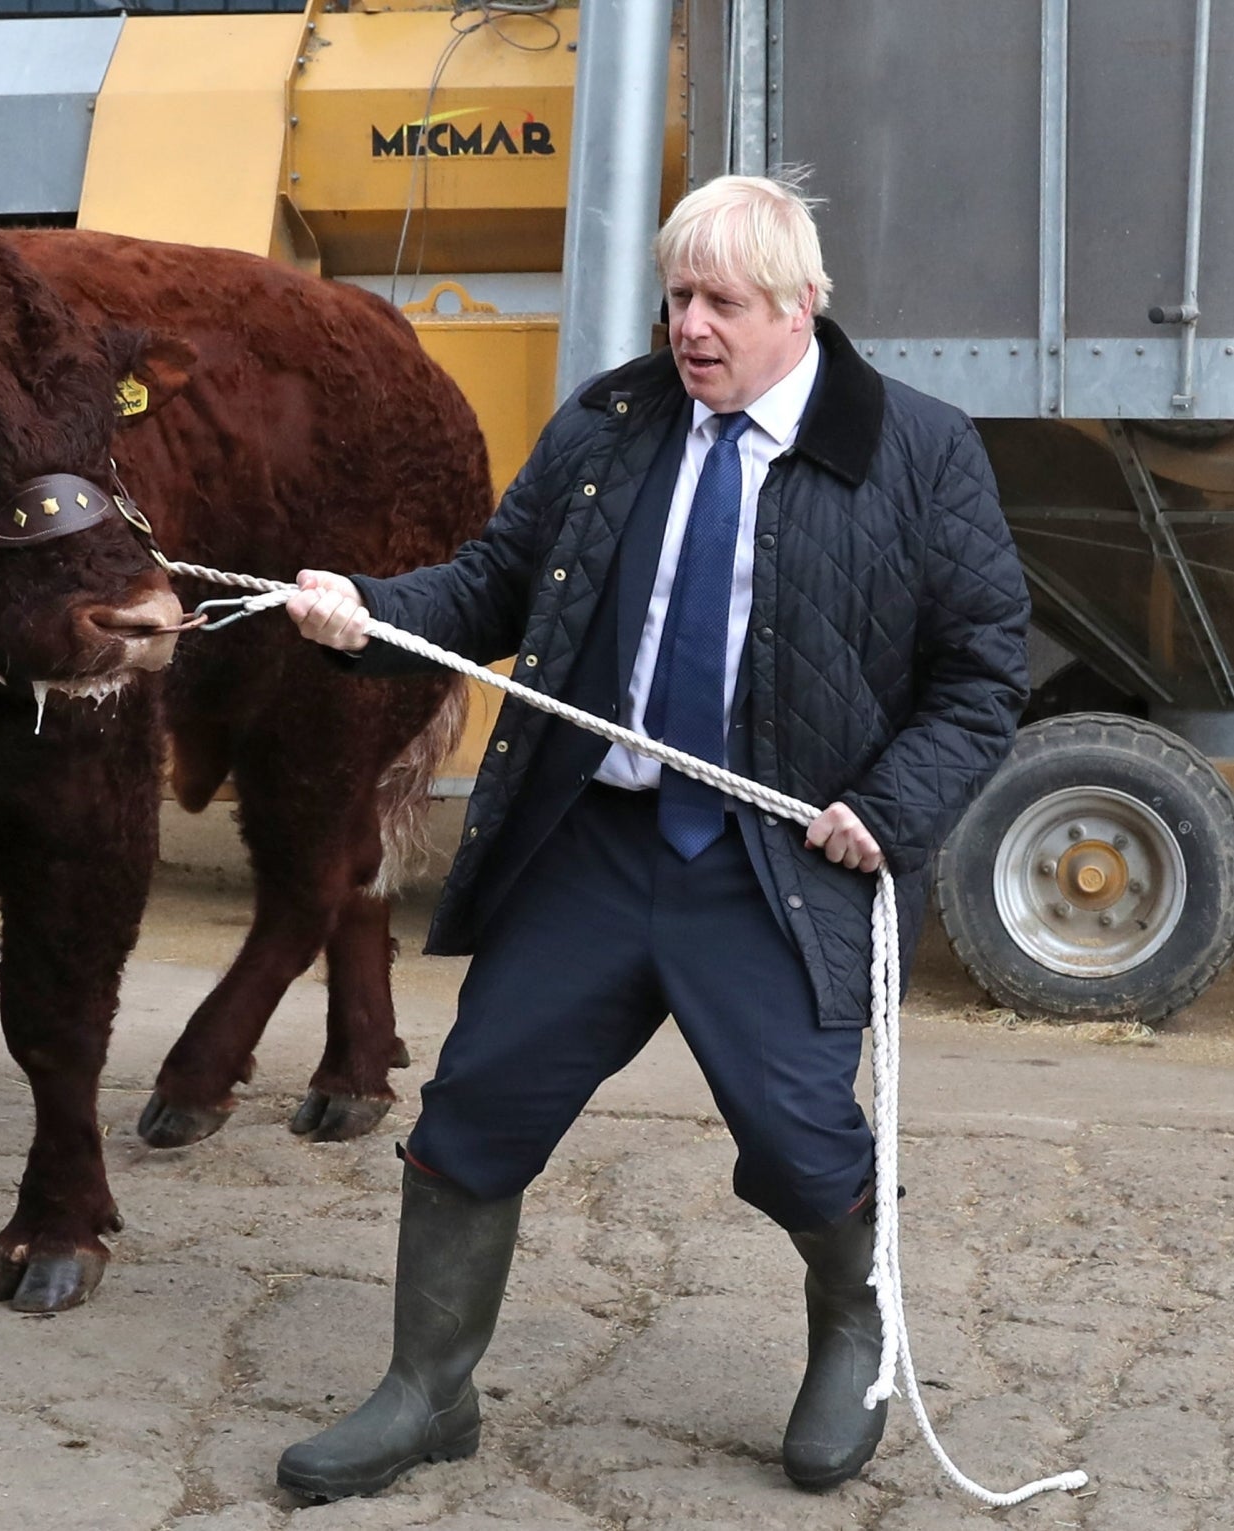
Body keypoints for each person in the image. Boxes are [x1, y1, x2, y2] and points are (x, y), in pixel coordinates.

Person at [275, 175, 1030, 1498]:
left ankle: (854, 1326)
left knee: (802, 1135)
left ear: (801, 310)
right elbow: (489, 583)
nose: (690, 326)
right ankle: (426, 1389)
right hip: (598, 841)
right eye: (677, 296)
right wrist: (364, 612)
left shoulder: (914, 448)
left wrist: (889, 809)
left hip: (781, 865)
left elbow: (980, 676)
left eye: (721, 302)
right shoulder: (611, 424)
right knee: (474, 1105)